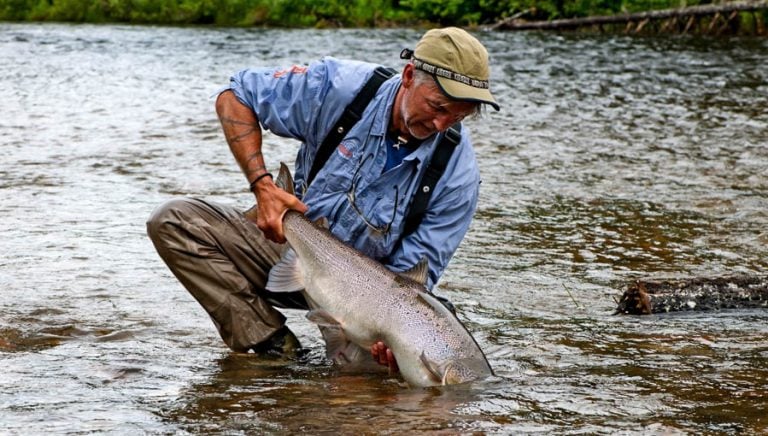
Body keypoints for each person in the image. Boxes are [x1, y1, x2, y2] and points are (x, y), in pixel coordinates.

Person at [147, 27, 499, 371]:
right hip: (293, 247)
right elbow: (236, 95)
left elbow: (411, 281)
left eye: (458, 116)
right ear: (409, 75)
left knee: (379, 382)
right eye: (437, 107)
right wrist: (263, 186)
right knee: (174, 221)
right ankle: (276, 348)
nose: (442, 124)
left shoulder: (458, 177)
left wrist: (391, 340)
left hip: (366, 294)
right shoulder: (341, 87)